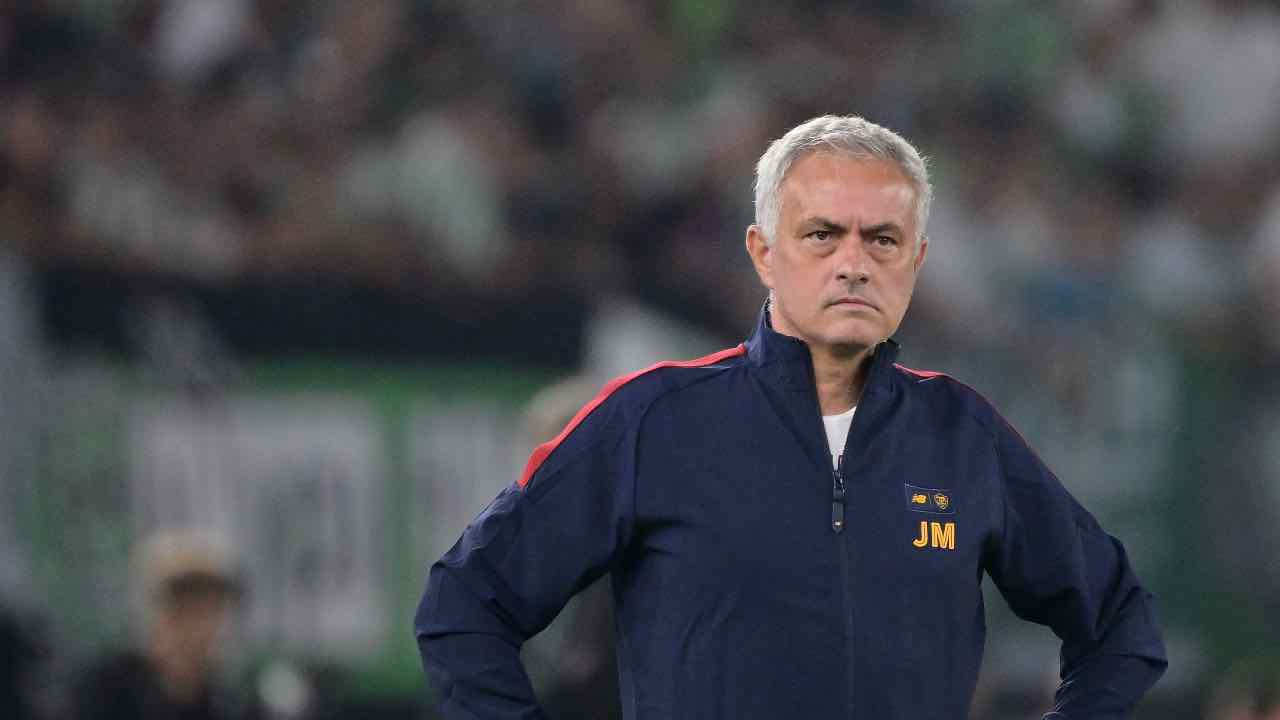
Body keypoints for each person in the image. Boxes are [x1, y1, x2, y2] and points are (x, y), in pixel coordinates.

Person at [414, 115, 1167, 718]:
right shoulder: (654, 420)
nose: (854, 264)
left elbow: (1121, 622)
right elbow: (463, 605)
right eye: (822, 235)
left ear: (916, 261)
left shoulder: (963, 435)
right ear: (764, 253)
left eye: (883, 240)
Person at [73, 530, 254, 720]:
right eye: (183, 608)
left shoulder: (232, 706)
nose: (197, 629)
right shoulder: (105, 689)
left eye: (210, 610)